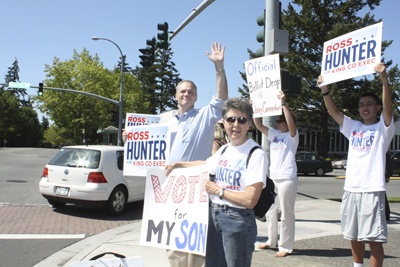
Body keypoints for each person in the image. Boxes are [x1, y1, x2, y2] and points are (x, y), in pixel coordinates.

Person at [165, 97, 268, 267]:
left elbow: (250, 200)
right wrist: (177, 164)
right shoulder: (225, 149)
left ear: (249, 124)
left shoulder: (256, 154)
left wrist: (218, 191)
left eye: (242, 120)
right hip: (214, 217)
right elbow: (206, 164)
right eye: (230, 119)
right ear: (224, 123)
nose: (236, 125)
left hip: (237, 220)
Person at [318, 62, 395, 267]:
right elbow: (334, 112)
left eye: (369, 104)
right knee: (353, 235)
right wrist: (325, 90)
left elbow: (389, 107)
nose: (364, 108)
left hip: (372, 190)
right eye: (361, 105)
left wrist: (384, 80)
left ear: (377, 107)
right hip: (351, 189)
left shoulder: (383, 128)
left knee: (373, 239)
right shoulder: (354, 127)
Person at [252, 91, 299, 257]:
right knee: (270, 211)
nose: (279, 123)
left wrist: (284, 103)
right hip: (274, 178)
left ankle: (285, 246)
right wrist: (255, 108)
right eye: (278, 121)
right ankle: (272, 241)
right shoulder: (275, 135)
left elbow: (291, 124)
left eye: (282, 121)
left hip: (287, 178)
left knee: (286, 213)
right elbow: (258, 125)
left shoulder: (292, 136)